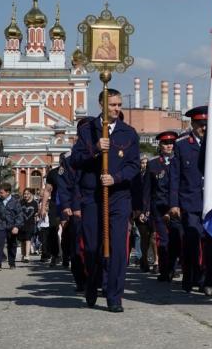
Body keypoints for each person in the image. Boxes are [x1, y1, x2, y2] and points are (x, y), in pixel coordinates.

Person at [70, 88, 140, 313]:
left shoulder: (128, 133)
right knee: (92, 248)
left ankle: (114, 296)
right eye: (112, 105)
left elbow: (134, 165)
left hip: (118, 197)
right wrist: (95, 149)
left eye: (119, 105)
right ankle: (92, 284)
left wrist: (116, 178)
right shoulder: (87, 130)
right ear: (101, 104)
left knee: (118, 248)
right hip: (92, 197)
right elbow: (75, 160)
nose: (117, 109)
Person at [172, 106, 212, 295]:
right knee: (191, 240)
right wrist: (174, 203)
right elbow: (175, 175)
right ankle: (191, 276)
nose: (204, 128)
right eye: (200, 125)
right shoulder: (182, 145)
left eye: (207, 124)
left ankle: (209, 280)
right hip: (190, 201)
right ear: (193, 124)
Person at [144, 131, 181, 282]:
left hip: (176, 207)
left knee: (176, 239)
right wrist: (145, 208)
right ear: (160, 145)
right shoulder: (153, 164)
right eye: (166, 143)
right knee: (163, 240)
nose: (169, 146)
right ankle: (165, 271)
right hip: (158, 207)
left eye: (171, 143)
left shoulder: (179, 161)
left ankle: (173, 267)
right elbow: (147, 188)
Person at [57, 152, 86, 292]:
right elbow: (63, 187)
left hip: (97, 206)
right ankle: (80, 280)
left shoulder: (101, 153)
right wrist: (67, 206)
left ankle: (100, 279)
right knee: (77, 247)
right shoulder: (68, 159)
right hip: (76, 210)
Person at [0, 182, 24, 270]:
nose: (0, 194)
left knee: (12, 244)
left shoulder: (15, 202)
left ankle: (12, 263)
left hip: (12, 226)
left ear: (8, 192)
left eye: (2, 192)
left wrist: (17, 226)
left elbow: (19, 215)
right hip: (0, 225)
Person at [132, 154, 152, 273]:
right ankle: (143, 259)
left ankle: (147, 258)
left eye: (146, 163)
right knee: (141, 235)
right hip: (138, 209)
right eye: (142, 163)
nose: (144, 165)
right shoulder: (136, 176)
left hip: (149, 208)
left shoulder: (150, 175)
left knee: (150, 237)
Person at [39, 164, 62, 266]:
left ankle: (68, 255)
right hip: (55, 204)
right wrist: (43, 207)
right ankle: (55, 255)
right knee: (53, 229)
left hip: (70, 203)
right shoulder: (53, 173)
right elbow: (47, 190)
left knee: (70, 230)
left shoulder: (74, 169)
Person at [18, 189, 38, 261]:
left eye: (27, 194)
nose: (26, 195)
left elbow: (36, 212)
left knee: (28, 239)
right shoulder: (21, 202)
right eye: (24, 194)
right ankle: (23, 255)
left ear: (30, 194)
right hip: (22, 224)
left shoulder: (34, 203)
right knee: (22, 240)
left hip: (30, 224)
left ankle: (27, 255)